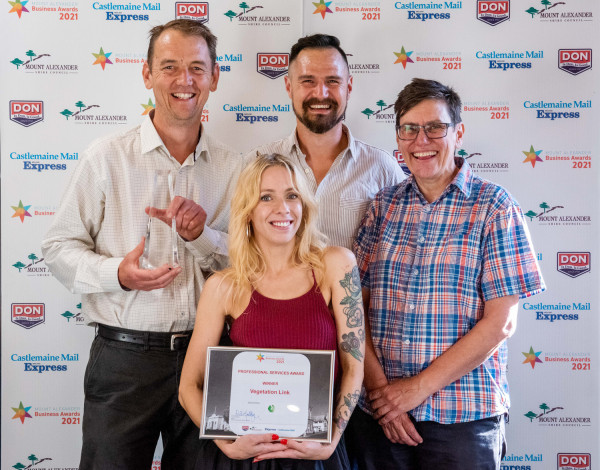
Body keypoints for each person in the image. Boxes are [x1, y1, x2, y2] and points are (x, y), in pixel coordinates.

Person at [41, 19, 242, 470]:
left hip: (209, 357)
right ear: (147, 75)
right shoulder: (105, 156)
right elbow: (58, 247)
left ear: (214, 76)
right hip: (123, 360)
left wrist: (201, 237)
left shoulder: (235, 167)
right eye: (169, 66)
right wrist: (117, 275)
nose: (184, 80)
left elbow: (249, 263)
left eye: (196, 67)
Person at [347, 78, 545, 469]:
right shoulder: (382, 207)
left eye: (435, 127)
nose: (422, 140)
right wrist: (383, 395)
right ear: (399, 138)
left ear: (458, 132)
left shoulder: (495, 207)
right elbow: (355, 311)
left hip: (464, 416)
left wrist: (414, 391)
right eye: (409, 129)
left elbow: (501, 324)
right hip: (382, 417)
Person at [179, 153, 365, 469]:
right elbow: (188, 388)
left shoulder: (337, 265)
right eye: (266, 197)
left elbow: (353, 366)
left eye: (292, 195)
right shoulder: (224, 286)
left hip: (315, 454)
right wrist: (227, 444)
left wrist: (331, 440)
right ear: (248, 212)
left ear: (304, 205)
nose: (282, 208)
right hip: (250, 458)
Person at [251, 34, 404, 250]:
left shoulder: (382, 169)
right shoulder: (256, 164)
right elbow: (238, 245)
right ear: (289, 87)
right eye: (308, 81)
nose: (321, 93)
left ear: (348, 87)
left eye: (332, 81)